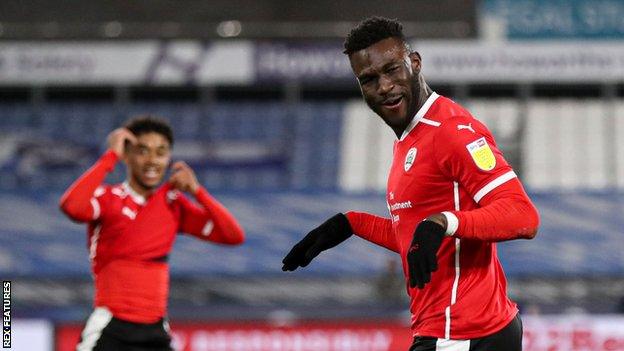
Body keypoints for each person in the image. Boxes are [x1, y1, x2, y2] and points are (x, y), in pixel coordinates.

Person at [282, 17, 539, 351]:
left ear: (415, 63)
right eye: (369, 79)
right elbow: (418, 237)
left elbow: (523, 216)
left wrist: (443, 222)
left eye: (391, 70)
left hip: (461, 334)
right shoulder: (409, 137)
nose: (384, 86)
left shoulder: (450, 130)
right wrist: (352, 224)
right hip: (462, 330)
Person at [60, 116, 245, 351]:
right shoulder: (109, 198)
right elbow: (71, 206)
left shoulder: (173, 204)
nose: (152, 161)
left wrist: (198, 192)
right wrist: (110, 157)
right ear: (127, 156)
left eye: (161, 152)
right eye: (143, 151)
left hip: (155, 331)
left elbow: (233, 235)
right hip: (111, 328)